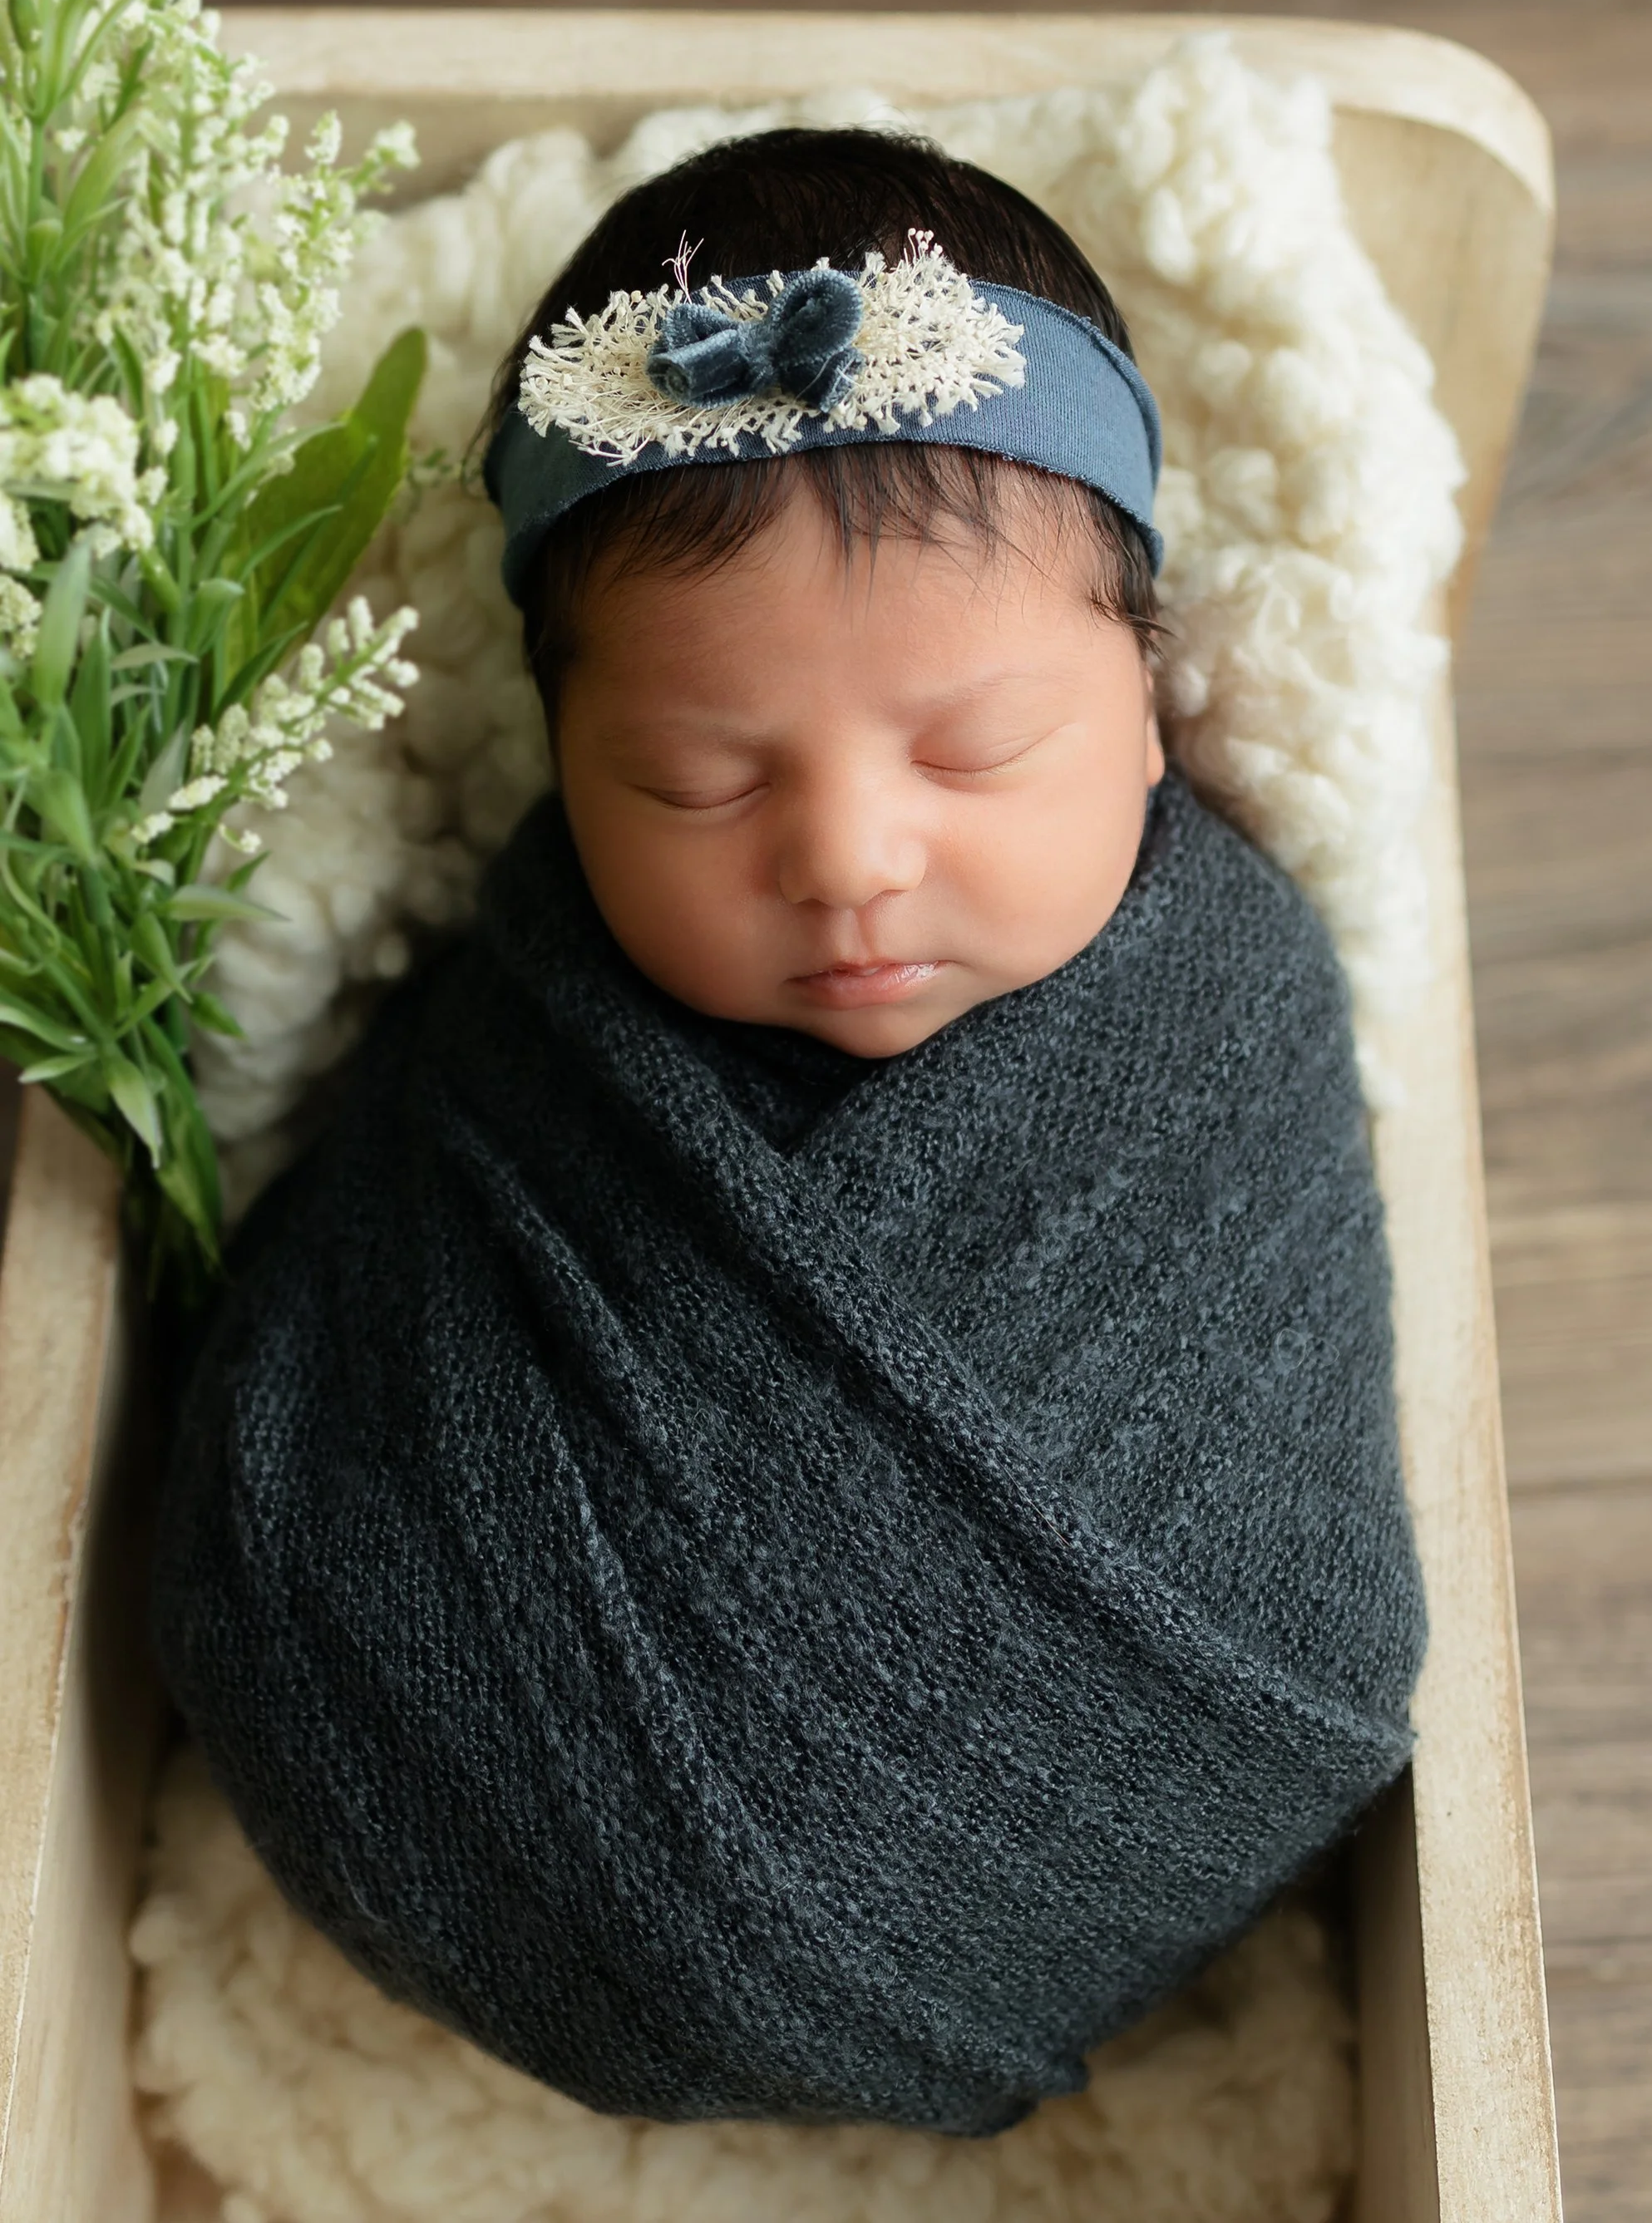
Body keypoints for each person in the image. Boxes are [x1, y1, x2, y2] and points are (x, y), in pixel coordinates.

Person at [151, 126, 1427, 2137]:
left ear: (1155, 680)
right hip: (457, 1848)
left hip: (1120, 1820)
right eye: (687, 781)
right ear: (559, 764)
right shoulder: (520, 1037)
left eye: (975, 747)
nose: (844, 860)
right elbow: (327, 1391)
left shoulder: (1221, 1009)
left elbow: (1305, 1521)